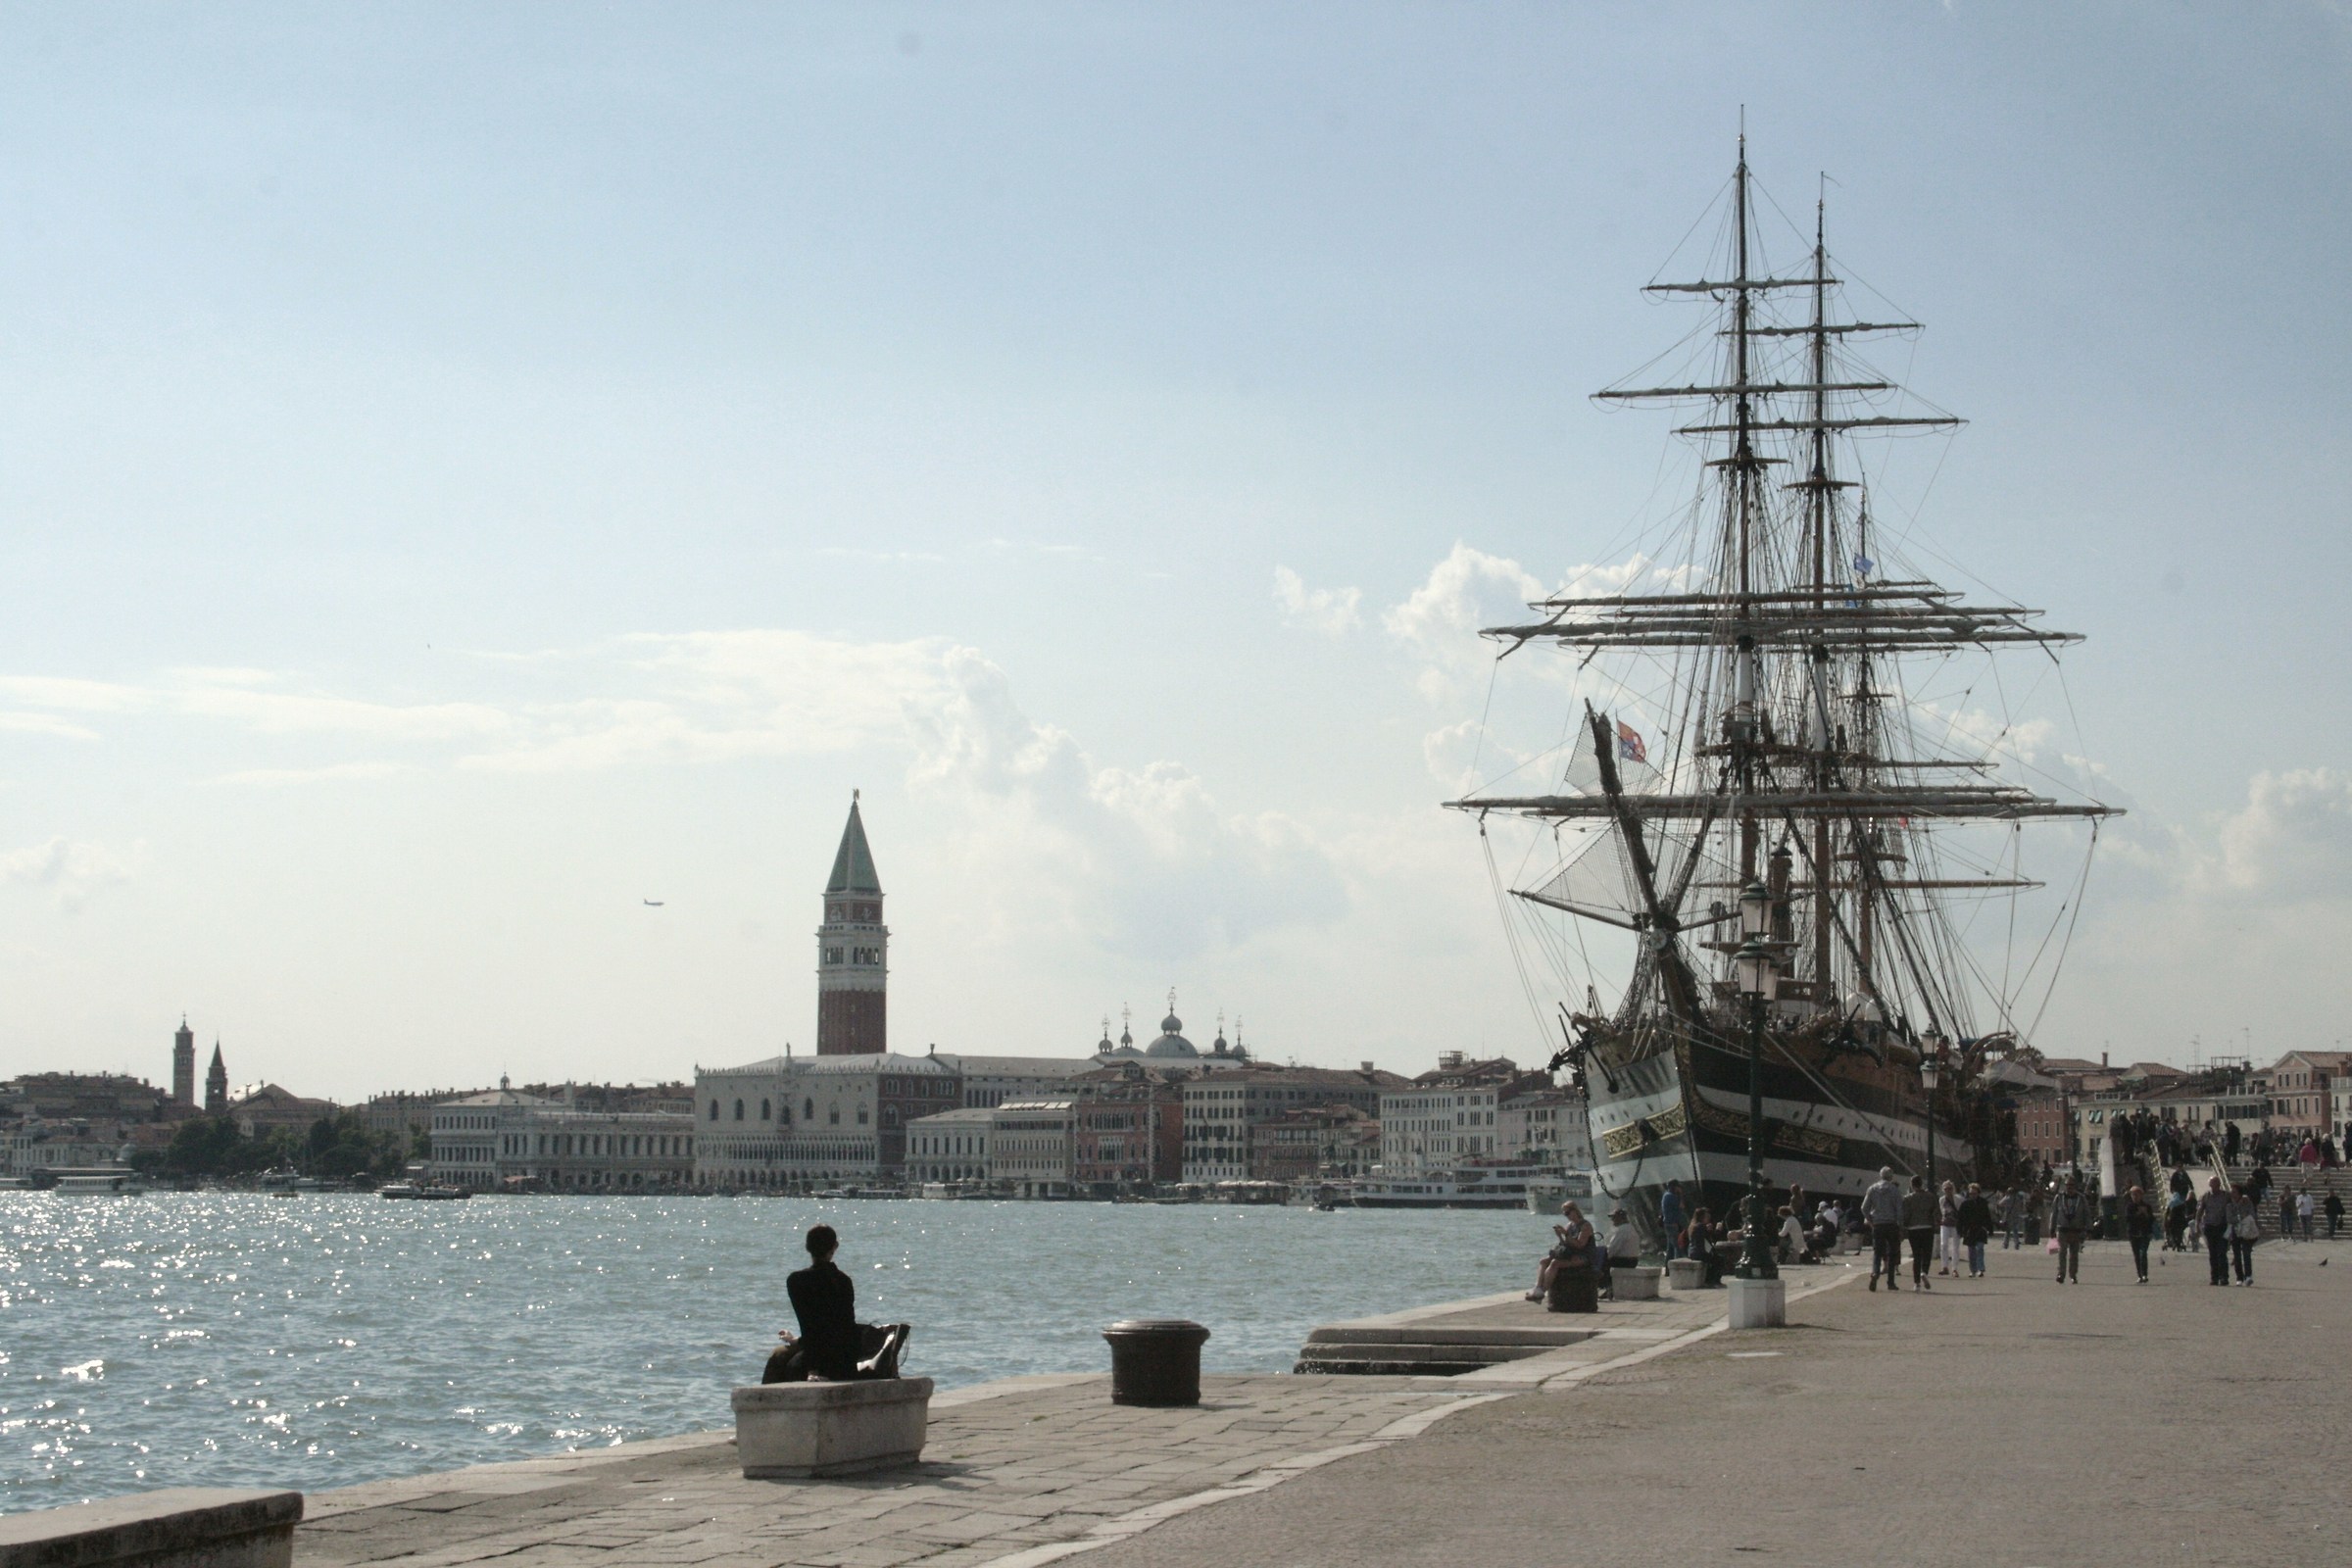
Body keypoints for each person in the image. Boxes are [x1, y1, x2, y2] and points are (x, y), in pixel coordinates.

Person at [771, 1224, 909, 1383]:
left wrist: (795, 1342)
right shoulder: (844, 1281)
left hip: (818, 1359)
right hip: (846, 1358)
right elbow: (840, 1326)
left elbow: (810, 1327)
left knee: (777, 1357)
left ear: (807, 1247)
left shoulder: (796, 1281)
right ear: (835, 1246)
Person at [1530, 1200, 1595, 1300]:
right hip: (1571, 1254)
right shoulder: (1569, 1225)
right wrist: (1560, 1236)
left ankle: (1542, 1291)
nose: (1566, 1215)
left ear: (1574, 1211)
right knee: (1543, 1261)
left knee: (1555, 1263)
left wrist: (1566, 1234)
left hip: (1583, 1256)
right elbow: (1565, 1245)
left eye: (1567, 1213)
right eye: (1564, 1213)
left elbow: (1580, 1245)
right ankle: (1537, 1288)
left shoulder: (1585, 1226)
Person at [1862, 1166, 1906, 1294]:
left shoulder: (1872, 1189)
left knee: (1877, 1252)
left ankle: (1875, 1272)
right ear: (1891, 1176)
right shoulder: (1895, 1190)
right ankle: (1890, 1282)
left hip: (1878, 1224)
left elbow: (1864, 1208)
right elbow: (1899, 1211)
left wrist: (1870, 1221)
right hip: (1891, 1224)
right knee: (1892, 1253)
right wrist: (1901, 1227)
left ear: (1880, 1175)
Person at [2049, 1172, 2093, 1285]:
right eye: (2068, 1185)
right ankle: (2061, 1274)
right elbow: (2054, 1213)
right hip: (2062, 1229)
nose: (2070, 1188)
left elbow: (2087, 1213)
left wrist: (2089, 1228)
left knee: (2074, 1254)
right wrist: (2052, 1228)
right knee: (2062, 1252)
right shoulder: (2059, 1197)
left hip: (2076, 1229)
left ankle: (2073, 1275)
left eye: (2072, 1186)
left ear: (2075, 1186)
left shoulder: (2081, 1198)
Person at [1901, 1175, 1936, 1292]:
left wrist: (1905, 1225)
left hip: (1913, 1228)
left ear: (1912, 1184)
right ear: (1922, 1184)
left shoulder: (1908, 1198)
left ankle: (1916, 1284)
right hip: (1927, 1227)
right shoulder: (1931, 1197)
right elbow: (1935, 1212)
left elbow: (1905, 1214)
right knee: (1927, 1253)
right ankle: (1924, 1272)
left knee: (1917, 1255)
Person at [2197, 1176, 2232, 1286]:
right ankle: (2214, 1277)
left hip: (2222, 1226)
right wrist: (2197, 1224)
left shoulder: (2226, 1196)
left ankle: (2224, 1277)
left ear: (2219, 1184)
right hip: (2209, 1227)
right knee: (2212, 1254)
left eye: (2216, 1184)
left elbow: (2233, 1206)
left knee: (2222, 1253)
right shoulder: (2206, 1196)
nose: (2214, 1186)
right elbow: (2200, 1210)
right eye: (2212, 1184)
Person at [1957, 1183, 1993, 1279]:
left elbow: (1987, 1216)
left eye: (1975, 1193)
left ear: (1978, 1193)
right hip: (1970, 1230)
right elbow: (1960, 1218)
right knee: (1971, 1251)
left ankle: (1980, 1269)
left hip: (1980, 1229)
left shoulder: (1983, 1202)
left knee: (1980, 1248)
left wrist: (1989, 1228)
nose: (1973, 1195)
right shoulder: (1965, 1204)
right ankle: (1973, 1270)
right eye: (1971, 1193)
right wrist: (1960, 1230)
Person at [1603, 1205, 1642, 1297]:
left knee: (1602, 1263)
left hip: (1624, 1261)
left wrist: (1604, 1256)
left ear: (1620, 1218)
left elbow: (1613, 1249)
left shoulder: (1621, 1230)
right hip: (1634, 1260)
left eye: (1614, 1217)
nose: (1612, 1220)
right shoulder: (1631, 1228)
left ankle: (1608, 1288)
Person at [2123, 1184, 2155, 1284]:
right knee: (2137, 1255)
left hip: (2145, 1233)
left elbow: (2152, 1220)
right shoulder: (2129, 1206)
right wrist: (2137, 1214)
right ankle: (2140, 1275)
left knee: (2143, 1253)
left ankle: (2145, 1274)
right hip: (2134, 1234)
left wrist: (2145, 1214)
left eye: (2137, 1194)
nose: (2135, 1197)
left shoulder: (2147, 1206)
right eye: (2133, 1195)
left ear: (2141, 1195)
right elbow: (2128, 1219)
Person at [2230, 1185, 2260, 1285]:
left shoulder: (2247, 1202)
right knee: (2237, 1255)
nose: (2232, 1194)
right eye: (2231, 1192)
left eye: (2234, 1192)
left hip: (2246, 1231)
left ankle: (2248, 1276)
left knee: (2246, 1254)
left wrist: (2244, 1217)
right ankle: (2239, 1278)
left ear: (2239, 1193)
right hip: (2235, 1230)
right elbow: (2229, 1217)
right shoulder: (2229, 1203)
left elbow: (2253, 1214)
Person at [1936, 1179, 1961, 1276]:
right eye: (1946, 1189)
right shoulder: (1941, 1200)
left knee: (1955, 1247)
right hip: (1945, 1224)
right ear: (1943, 1190)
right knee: (1943, 1245)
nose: (1948, 1191)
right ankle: (1944, 1266)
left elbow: (1961, 1211)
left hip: (1955, 1224)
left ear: (1953, 1189)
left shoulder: (1958, 1199)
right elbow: (1941, 1211)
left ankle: (1954, 1268)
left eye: (1950, 1188)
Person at [1657, 1180, 1687, 1261]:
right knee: (1678, 1247)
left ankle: (1668, 1269)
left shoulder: (1666, 1195)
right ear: (1674, 1187)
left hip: (1669, 1224)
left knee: (1670, 1249)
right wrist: (1680, 1194)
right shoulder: (1671, 1196)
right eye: (1677, 1186)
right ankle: (1679, 1265)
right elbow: (1681, 1206)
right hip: (1672, 1224)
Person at [2000, 1186, 2025, 1250]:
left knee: (2007, 1231)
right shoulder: (2018, 1199)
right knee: (2015, 1231)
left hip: (2008, 1216)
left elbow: (2000, 1204)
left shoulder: (2007, 1198)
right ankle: (2016, 1244)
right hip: (2016, 1216)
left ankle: (2005, 1244)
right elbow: (2021, 1207)